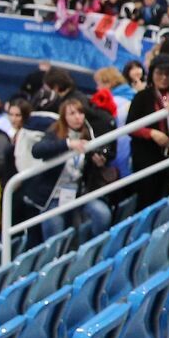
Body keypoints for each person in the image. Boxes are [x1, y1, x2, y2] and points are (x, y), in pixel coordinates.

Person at [24, 96, 115, 245]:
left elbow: (108, 153)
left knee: (102, 214)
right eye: (72, 114)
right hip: (53, 196)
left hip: (78, 193)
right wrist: (67, 144)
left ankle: (92, 253)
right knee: (55, 237)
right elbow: (38, 150)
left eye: (80, 113)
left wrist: (98, 161)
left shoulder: (89, 133)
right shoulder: (55, 133)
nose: (77, 117)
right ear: (64, 117)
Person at [126, 57, 169, 206]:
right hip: (147, 158)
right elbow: (130, 127)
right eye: (160, 73)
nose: (164, 78)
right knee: (147, 199)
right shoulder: (142, 97)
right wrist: (151, 134)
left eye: (168, 74)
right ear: (152, 73)